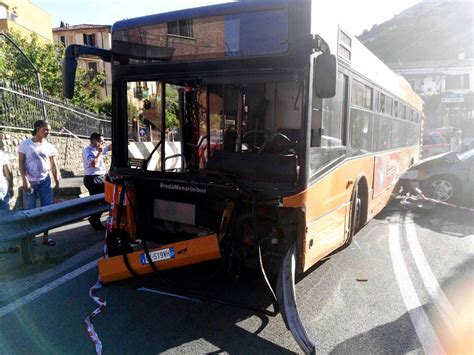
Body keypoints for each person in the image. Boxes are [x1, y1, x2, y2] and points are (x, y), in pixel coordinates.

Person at [18, 120, 60, 246]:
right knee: (29, 211)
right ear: (37, 128)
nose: (48, 132)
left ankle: (46, 237)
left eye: (49, 130)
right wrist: (24, 179)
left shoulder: (49, 146)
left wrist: (57, 181)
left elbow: (53, 165)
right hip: (30, 182)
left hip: (45, 182)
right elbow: (20, 162)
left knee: (46, 210)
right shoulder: (25, 144)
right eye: (45, 129)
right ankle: (31, 238)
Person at [82, 132, 112, 230]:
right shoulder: (88, 151)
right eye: (101, 142)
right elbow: (93, 164)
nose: (102, 144)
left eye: (103, 142)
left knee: (101, 200)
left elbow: (109, 148)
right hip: (93, 178)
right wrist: (99, 152)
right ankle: (94, 219)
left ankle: (95, 219)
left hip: (99, 177)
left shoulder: (98, 148)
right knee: (102, 200)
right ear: (94, 141)